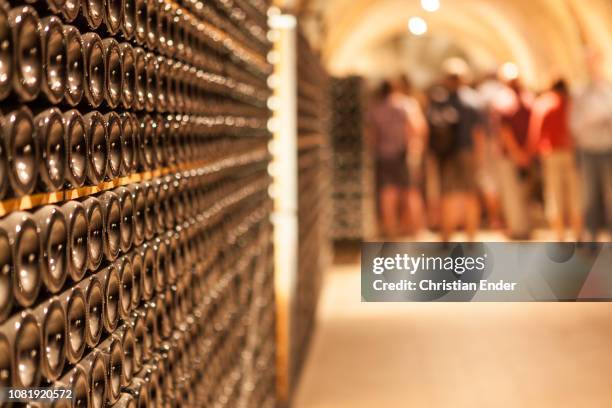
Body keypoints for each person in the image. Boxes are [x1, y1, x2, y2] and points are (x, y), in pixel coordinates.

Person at [426, 58, 485, 241]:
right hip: (464, 152)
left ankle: (447, 236)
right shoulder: (473, 100)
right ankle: (470, 236)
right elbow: (479, 133)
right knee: (468, 195)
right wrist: (479, 157)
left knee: (450, 195)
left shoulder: (439, 100)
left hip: (448, 154)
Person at [528, 79, 582, 241]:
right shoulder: (572, 103)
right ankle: (577, 234)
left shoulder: (544, 103)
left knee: (554, 194)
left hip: (551, 154)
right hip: (570, 152)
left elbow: (535, 130)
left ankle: (559, 236)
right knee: (575, 193)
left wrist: (532, 152)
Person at [570, 49, 612, 240]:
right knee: (590, 195)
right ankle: (591, 235)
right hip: (588, 150)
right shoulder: (580, 92)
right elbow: (576, 123)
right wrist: (596, 119)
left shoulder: (608, 90)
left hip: (608, 148)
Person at [367, 81, 412, 237]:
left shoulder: (376, 110)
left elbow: (372, 135)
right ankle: (410, 228)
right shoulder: (403, 107)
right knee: (407, 191)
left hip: (383, 155)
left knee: (387, 193)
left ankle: (391, 228)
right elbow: (413, 128)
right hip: (401, 154)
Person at [495, 76, 533, 239]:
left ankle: (518, 228)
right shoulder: (529, 99)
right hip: (526, 154)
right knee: (524, 192)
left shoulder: (505, 101)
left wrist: (517, 152)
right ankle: (524, 226)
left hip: (512, 155)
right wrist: (526, 152)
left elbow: (505, 130)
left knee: (513, 193)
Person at [394, 75, 428, 234]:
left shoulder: (407, 104)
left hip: (410, 152)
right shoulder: (409, 103)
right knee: (409, 189)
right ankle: (410, 225)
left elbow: (418, 127)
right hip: (409, 151)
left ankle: (416, 226)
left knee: (411, 189)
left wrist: (414, 145)